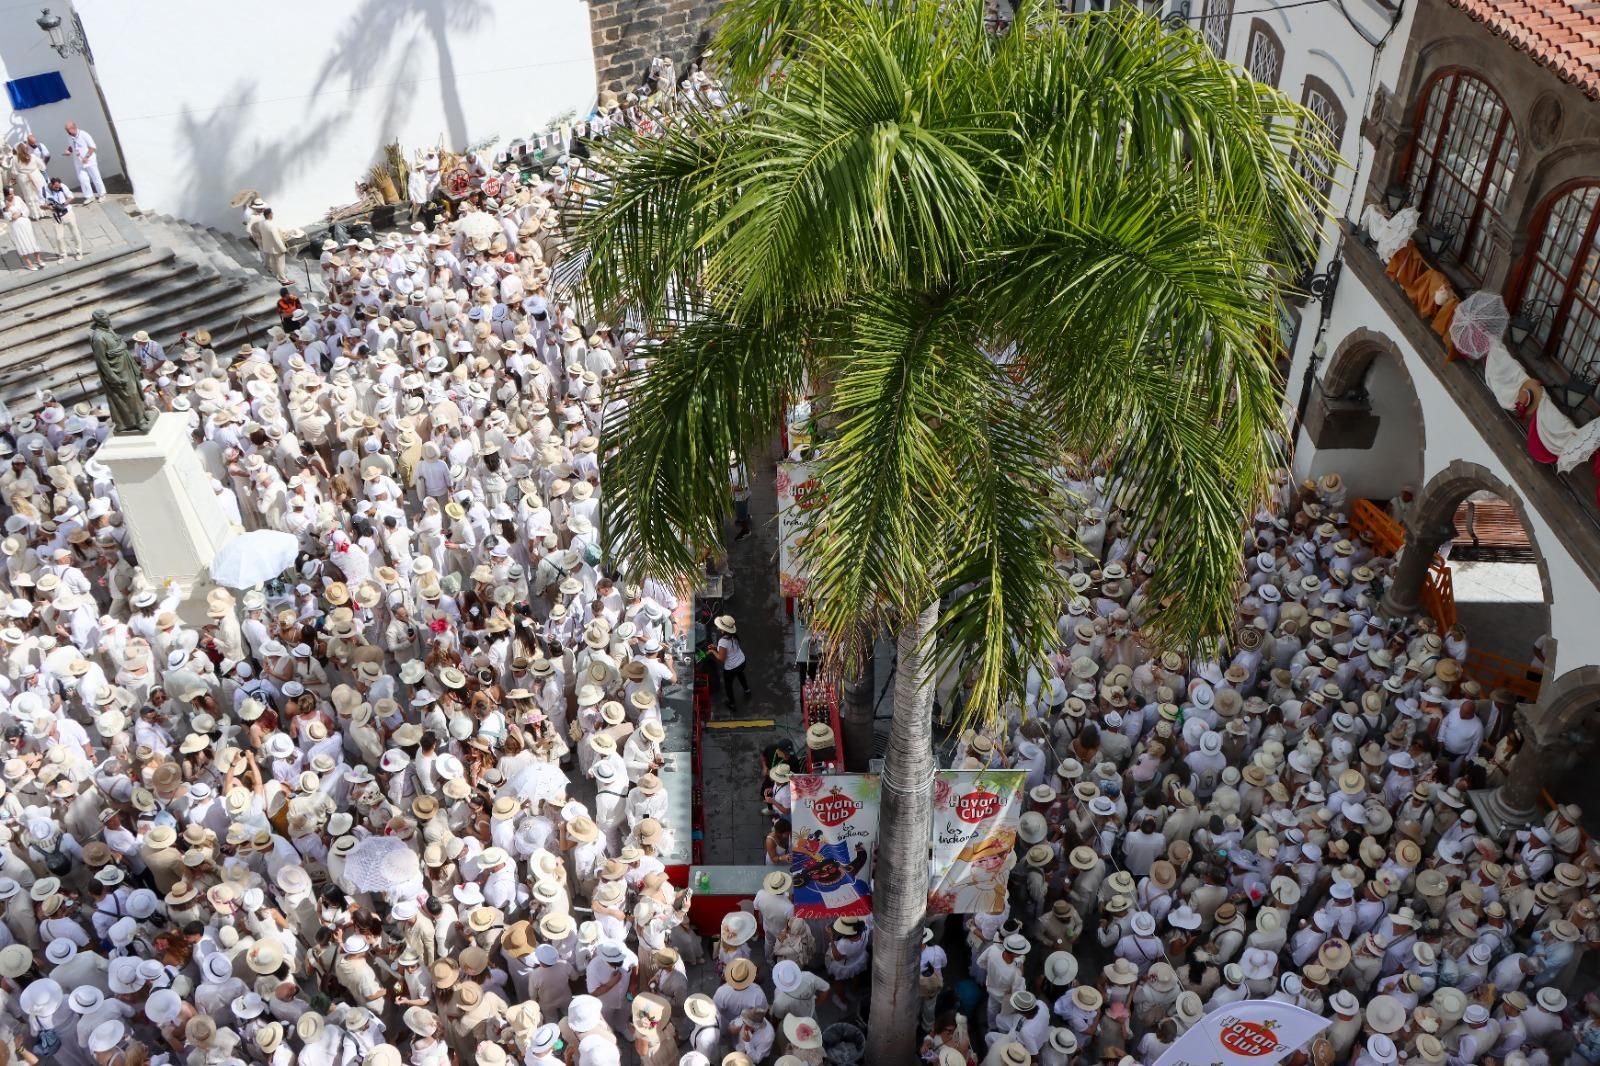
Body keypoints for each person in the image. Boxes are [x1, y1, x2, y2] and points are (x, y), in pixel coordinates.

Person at [709, 614, 749, 713]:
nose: (718, 628)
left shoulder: (723, 641)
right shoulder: (732, 636)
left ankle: (732, 704)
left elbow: (721, 658)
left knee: (728, 685)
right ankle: (747, 690)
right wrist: (716, 647)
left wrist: (712, 651)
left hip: (731, 668)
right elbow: (727, 649)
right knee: (741, 675)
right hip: (742, 662)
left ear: (723, 629)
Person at [63, 120, 106, 201]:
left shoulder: (84, 134)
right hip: (78, 162)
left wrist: (86, 157)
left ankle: (102, 194)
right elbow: (71, 147)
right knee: (83, 179)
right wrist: (68, 151)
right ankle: (89, 196)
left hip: (89, 161)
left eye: (67, 130)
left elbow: (92, 147)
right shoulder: (69, 137)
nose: (66, 132)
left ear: (73, 128)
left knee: (96, 177)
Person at [43, 177, 84, 260]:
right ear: (51, 184)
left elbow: (71, 197)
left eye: (58, 187)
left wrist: (63, 204)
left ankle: (79, 252)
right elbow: (41, 205)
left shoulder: (62, 186)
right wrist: (49, 207)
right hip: (56, 216)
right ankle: (62, 254)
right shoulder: (44, 191)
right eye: (56, 187)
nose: (58, 188)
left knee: (75, 233)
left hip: (68, 213)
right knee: (59, 237)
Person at [4, 187, 44, 270]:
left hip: (25, 222)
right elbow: (8, 218)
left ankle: (38, 259)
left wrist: (20, 214)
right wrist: (7, 209)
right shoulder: (3, 203)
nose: (12, 195)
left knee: (32, 240)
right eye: (10, 194)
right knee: (22, 243)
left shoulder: (18, 198)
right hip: (16, 226)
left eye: (13, 193)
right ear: (6, 195)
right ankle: (29, 264)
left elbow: (26, 209)